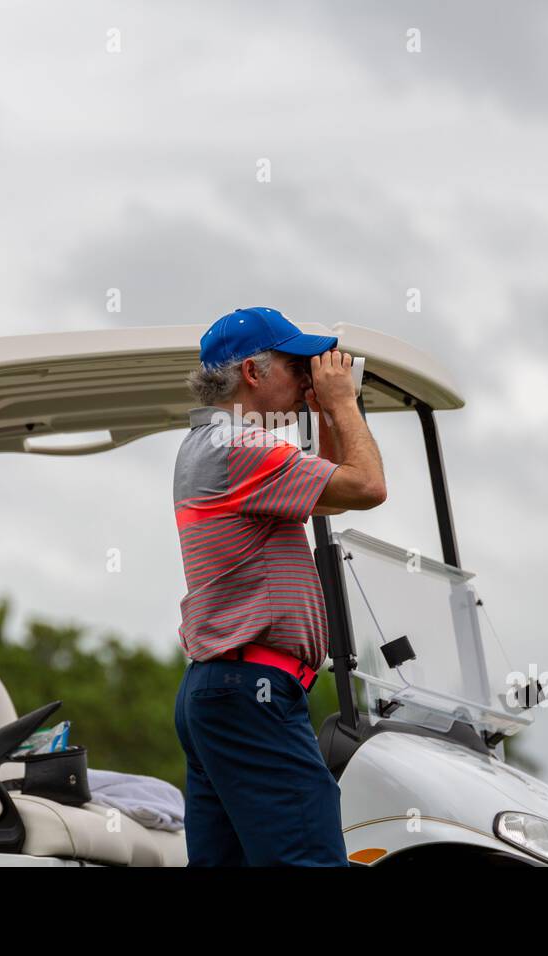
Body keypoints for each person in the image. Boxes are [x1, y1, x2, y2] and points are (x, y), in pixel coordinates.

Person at [172, 305, 387, 866]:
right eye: (296, 367)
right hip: (252, 691)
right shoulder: (242, 449)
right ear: (252, 373)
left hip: (222, 688)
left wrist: (324, 417)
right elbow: (367, 487)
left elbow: (328, 492)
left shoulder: (212, 445)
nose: (306, 380)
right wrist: (343, 403)